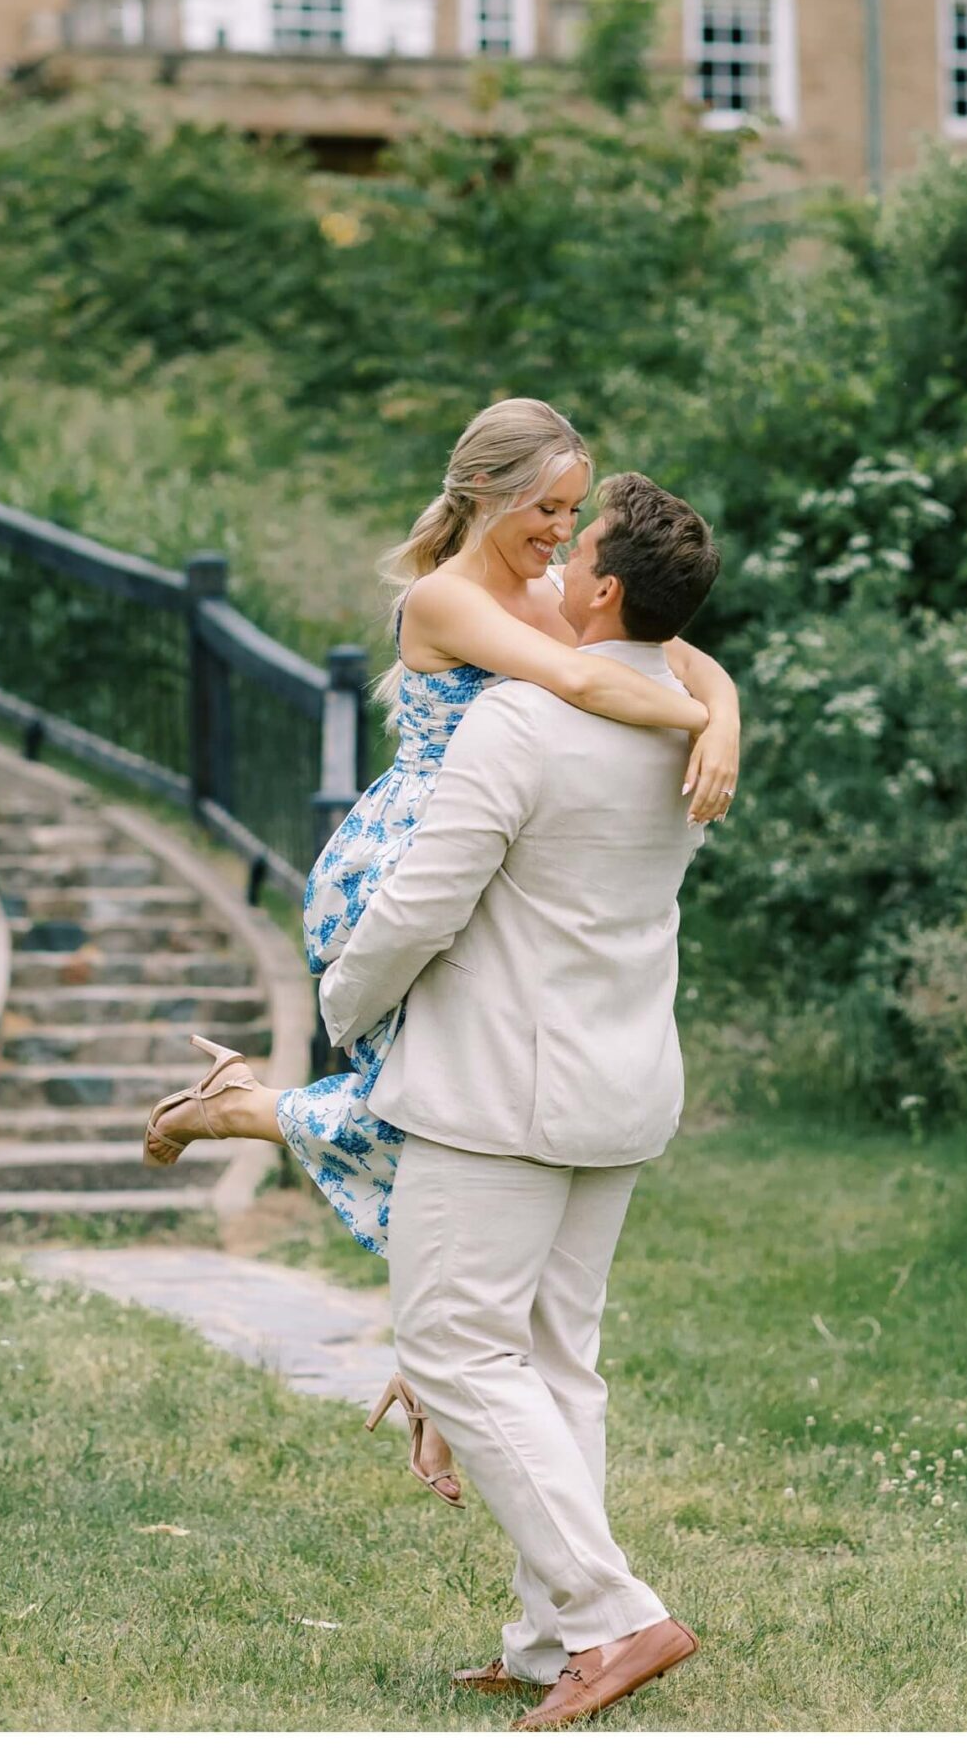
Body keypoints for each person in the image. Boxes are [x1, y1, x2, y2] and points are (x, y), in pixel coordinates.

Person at [141, 400, 740, 1510]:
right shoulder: (450, 596)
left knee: (439, 1125)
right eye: (545, 507)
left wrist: (727, 707)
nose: (561, 530)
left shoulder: (554, 590)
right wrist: (697, 722)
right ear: (486, 492)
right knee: (436, 1111)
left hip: (489, 860)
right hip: (406, 863)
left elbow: (669, 651)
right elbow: (591, 681)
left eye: (574, 511)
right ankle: (438, 1356)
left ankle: (421, 1340)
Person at [315, 469, 719, 1727]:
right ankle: (552, 1638)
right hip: (621, 1081)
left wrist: (341, 1002)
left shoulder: (520, 721)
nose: (550, 565)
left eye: (573, 549)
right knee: (557, 1359)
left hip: (498, 1092)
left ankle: (613, 1618)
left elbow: (424, 903)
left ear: (602, 588)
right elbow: (690, 680)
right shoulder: (685, 726)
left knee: (453, 1345)